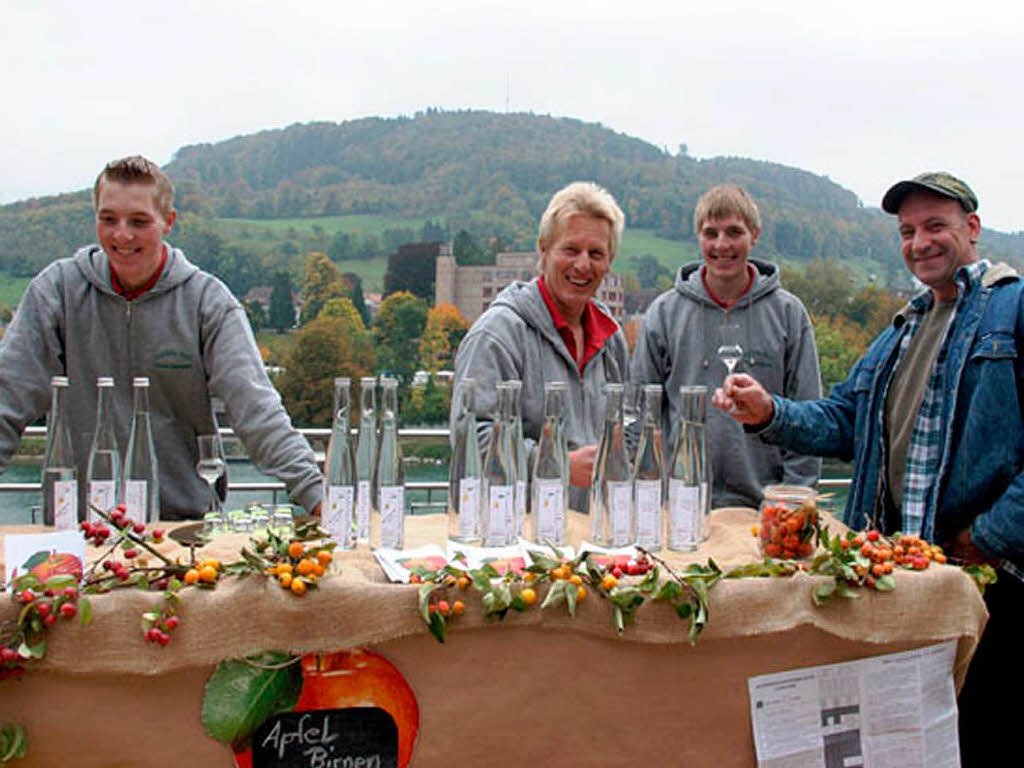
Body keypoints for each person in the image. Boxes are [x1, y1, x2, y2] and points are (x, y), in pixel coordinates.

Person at [712, 171, 1023, 765]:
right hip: (912, 579)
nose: (919, 242)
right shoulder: (901, 330)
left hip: (993, 580)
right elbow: (843, 421)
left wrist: (989, 536)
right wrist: (768, 411)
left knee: (989, 730)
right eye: (908, 231)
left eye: (936, 226)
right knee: (922, 740)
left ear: (973, 228)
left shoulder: (1014, 308)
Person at [0, 155, 323, 519]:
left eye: (138, 221)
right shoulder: (55, 291)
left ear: (168, 222)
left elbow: (257, 412)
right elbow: (6, 399)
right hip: (77, 528)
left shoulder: (208, 303)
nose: (121, 235)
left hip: (183, 530)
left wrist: (316, 495)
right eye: (109, 219)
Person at [631, 184, 821, 509]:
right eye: (711, 233)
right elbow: (638, 414)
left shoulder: (788, 314)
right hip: (679, 507)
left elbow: (807, 416)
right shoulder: (663, 313)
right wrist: (646, 498)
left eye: (734, 232)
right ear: (698, 237)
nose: (722, 245)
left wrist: (790, 504)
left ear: (754, 235)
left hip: (766, 509)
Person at [451, 181, 629, 513]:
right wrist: (557, 462)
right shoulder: (496, 336)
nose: (582, 265)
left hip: (593, 544)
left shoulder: (612, 338)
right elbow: (469, 443)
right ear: (543, 250)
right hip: (512, 542)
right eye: (570, 250)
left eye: (596, 254)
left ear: (609, 262)